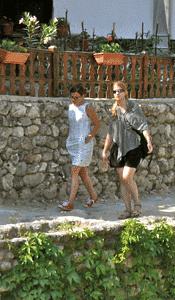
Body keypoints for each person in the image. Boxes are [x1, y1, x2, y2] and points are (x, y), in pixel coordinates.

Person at [101, 81, 153, 219]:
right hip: (118, 148)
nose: (117, 93)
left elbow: (142, 125)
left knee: (127, 177)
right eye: (114, 91)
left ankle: (137, 204)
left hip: (133, 146)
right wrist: (105, 149)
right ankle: (128, 211)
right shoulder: (113, 110)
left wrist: (148, 141)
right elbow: (111, 132)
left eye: (119, 91)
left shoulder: (133, 107)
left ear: (125, 92)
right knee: (122, 181)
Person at [59, 86, 100, 211]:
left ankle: (70, 203)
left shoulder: (87, 108)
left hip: (84, 144)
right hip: (73, 143)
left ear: (82, 96)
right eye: (71, 97)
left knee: (74, 170)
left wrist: (90, 136)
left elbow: (97, 125)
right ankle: (94, 197)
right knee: (82, 172)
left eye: (76, 97)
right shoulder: (71, 107)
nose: (73, 99)